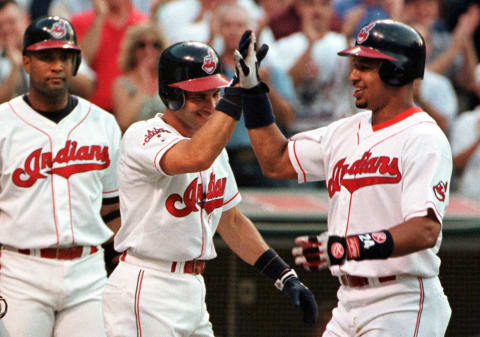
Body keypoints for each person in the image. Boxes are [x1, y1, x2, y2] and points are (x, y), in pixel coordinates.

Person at [235, 20, 452, 336]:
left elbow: (425, 230)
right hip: (347, 299)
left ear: (397, 71)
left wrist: (347, 247)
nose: (353, 75)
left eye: (364, 67)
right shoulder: (345, 130)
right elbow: (275, 160)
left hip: (402, 300)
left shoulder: (423, 137)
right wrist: (253, 91)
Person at [102, 40, 318, 336]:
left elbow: (230, 220)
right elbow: (195, 157)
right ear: (172, 95)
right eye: (199, 97)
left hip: (192, 289)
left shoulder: (216, 147)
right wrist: (237, 94)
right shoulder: (143, 134)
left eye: (216, 94)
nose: (212, 105)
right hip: (148, 285)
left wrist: (283, 274)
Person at [0, 16, 122, 337]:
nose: (57, 66)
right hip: (20, 270)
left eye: (64, 57)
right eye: (46, 56)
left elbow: (113, 210)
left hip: (88, 270)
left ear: (76, 62)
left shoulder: (103, 123)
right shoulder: (3, 123)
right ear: (26, 61)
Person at [269, 0, 354, 133]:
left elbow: (355, 79)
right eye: (310, 4)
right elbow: (288, 85)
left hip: (337, 129)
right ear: (300, 8)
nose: (317, 10)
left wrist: (348, 38)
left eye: (323, 4)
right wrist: (310, 45)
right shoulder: (284, 46)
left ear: (331, 9)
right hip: (300, 129)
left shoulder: (343, 42)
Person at [70, 0, 148, 112]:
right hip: (91, 109)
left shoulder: (143, 23)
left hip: (132, 110)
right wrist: (100, 17)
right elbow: (80, 64)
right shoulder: (80, 21)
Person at [112, 22, 166, 132]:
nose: (148, 50)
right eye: (142, 45)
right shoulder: (122, 84)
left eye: (155, 45)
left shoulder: (169, 80)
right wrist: (144, 83)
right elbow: (123, 122)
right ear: (132, 50)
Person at [0, 0, 29, 103]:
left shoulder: (44, 53)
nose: (6, 30)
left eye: (11, 22)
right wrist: (15, 68)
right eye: (0, 26)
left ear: (26, 20)